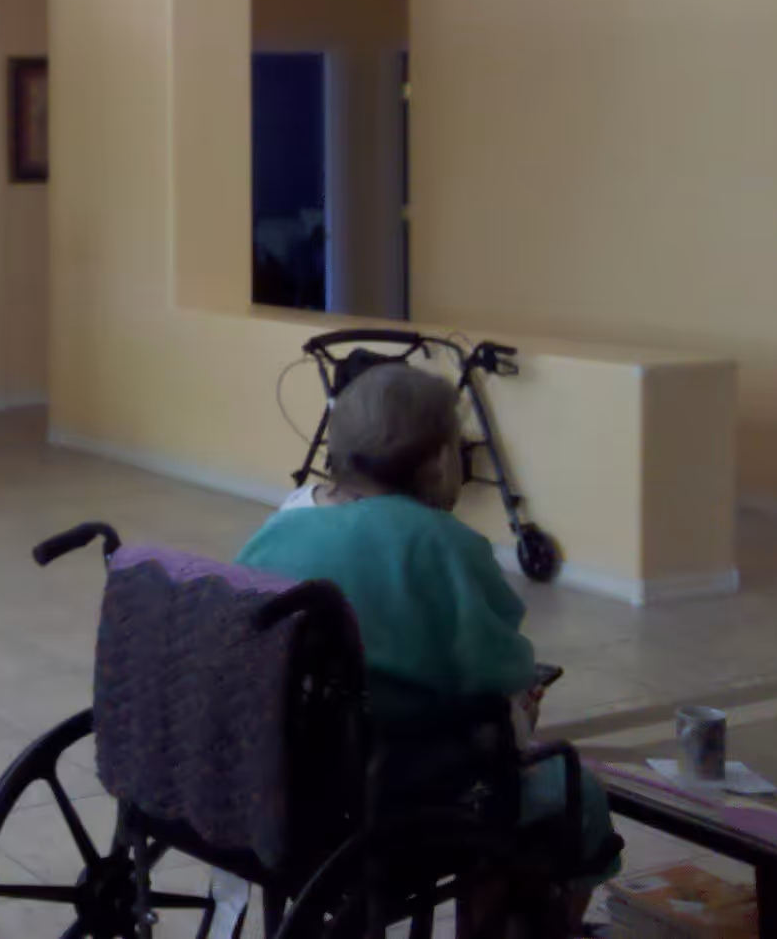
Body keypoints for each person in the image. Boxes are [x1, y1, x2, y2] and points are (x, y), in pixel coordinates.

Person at [238, 363, 621, 931]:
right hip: (393, 788)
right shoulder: (445, 544)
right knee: (573, 791)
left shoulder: (281, 529)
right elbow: (502, 670)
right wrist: (520, 700)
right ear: (440, 458)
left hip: (285, 781)